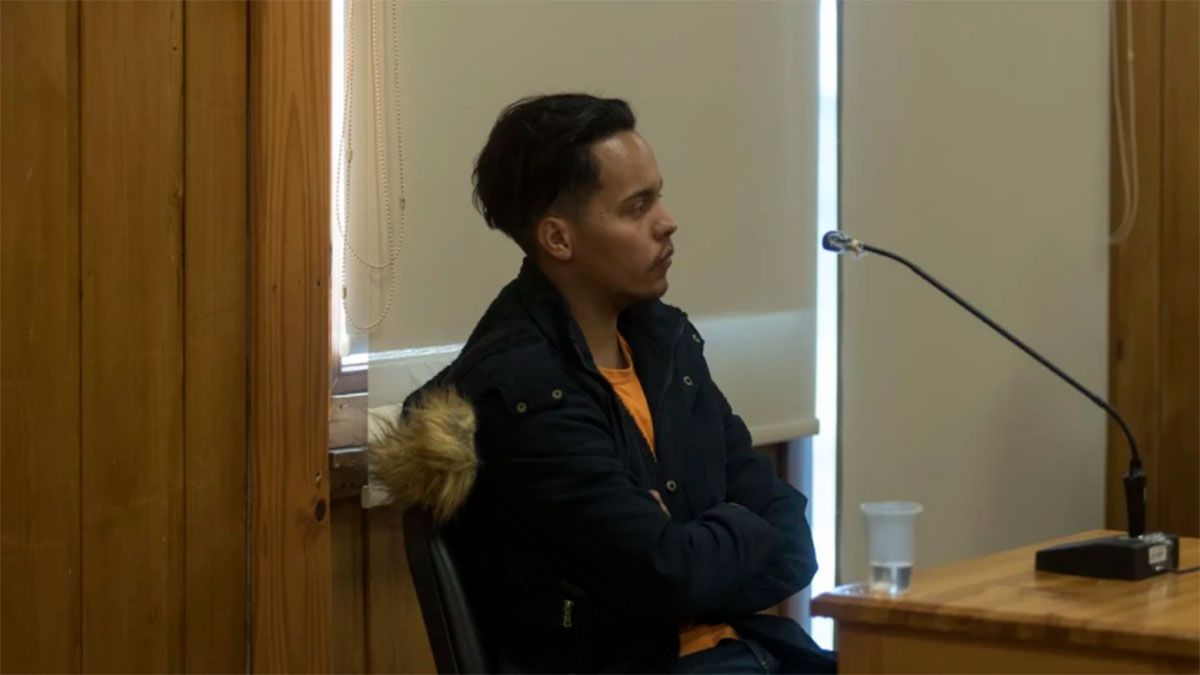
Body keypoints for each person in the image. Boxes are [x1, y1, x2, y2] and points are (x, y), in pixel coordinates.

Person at [372, 93, 836, 674]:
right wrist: (739, 527)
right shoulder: (523, 393)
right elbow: (674, 576)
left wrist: (696, 543)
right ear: (558, 239)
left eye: (658, 196)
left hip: (745, 652)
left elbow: (794, 542)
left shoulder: (667, 348)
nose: (666, 222)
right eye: (637, 207)